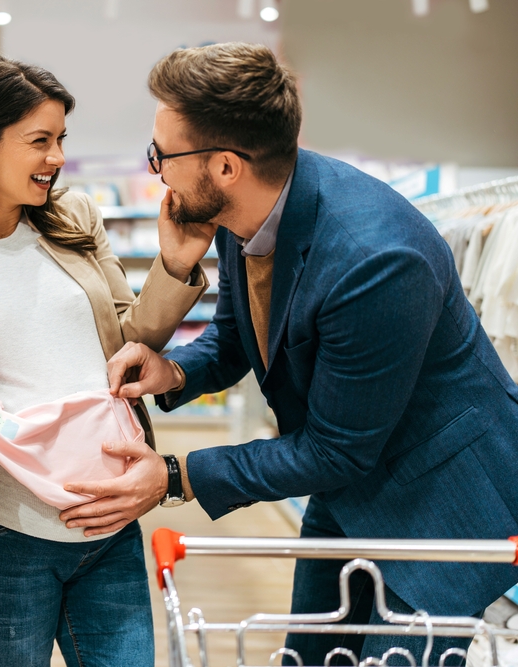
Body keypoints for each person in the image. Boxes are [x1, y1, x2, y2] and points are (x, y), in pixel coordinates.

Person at [61, 42, 518, 665]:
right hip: (347, 486)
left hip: (438, 500)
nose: (157, 171)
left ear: (226, 166)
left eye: (161, 155)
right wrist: (175, 371)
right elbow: (237, 335)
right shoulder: (245, 215)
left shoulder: (375, 260)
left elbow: (337, 449)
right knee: (311, 653)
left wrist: (173, 475)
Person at [0, 51, 214, 666]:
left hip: (110, 519)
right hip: (4, 532)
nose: (57, 158)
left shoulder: (74, 217)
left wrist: (176, 264)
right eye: (39, 141)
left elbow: (131, 339)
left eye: (61, 140)